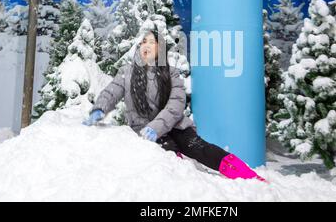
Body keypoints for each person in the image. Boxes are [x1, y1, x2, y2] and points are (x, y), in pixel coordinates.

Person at [83, 26, 266, 182]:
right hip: (145, 129)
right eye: (143, 42)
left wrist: (157, 126)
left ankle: (246, 175)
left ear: (160, 49)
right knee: (169, 155)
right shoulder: (127, 72)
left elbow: (176, 104)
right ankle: (186, 188)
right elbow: (111, 92)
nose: (145, 45)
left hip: (176, 125)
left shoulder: (171, 73)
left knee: (199, 148)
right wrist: (99, 108)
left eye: (151, 42)